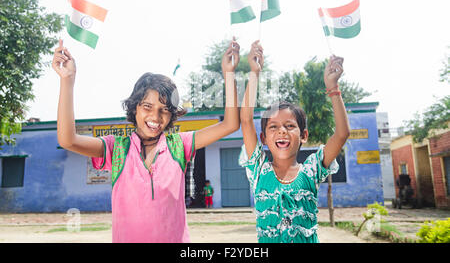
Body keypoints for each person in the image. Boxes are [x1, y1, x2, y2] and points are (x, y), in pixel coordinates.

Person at [52, 38, 240, 243]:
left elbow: (230, 124)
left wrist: (229, 74)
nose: (155, 117)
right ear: (135, 108)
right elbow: (67, 140)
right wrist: (67, 79)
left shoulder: (179, 145)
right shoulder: (117, 148)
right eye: (147, 107)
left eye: (164, 110)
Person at [238, 40, 350, 243]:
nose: (282, 131)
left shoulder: (312, 169)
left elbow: (342, 134)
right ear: (263, 138)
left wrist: (333, 88)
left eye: (290, 126)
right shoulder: (258, 168)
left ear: (304, 136)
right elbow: (245, 120)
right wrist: (254, 73)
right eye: (273, 127)